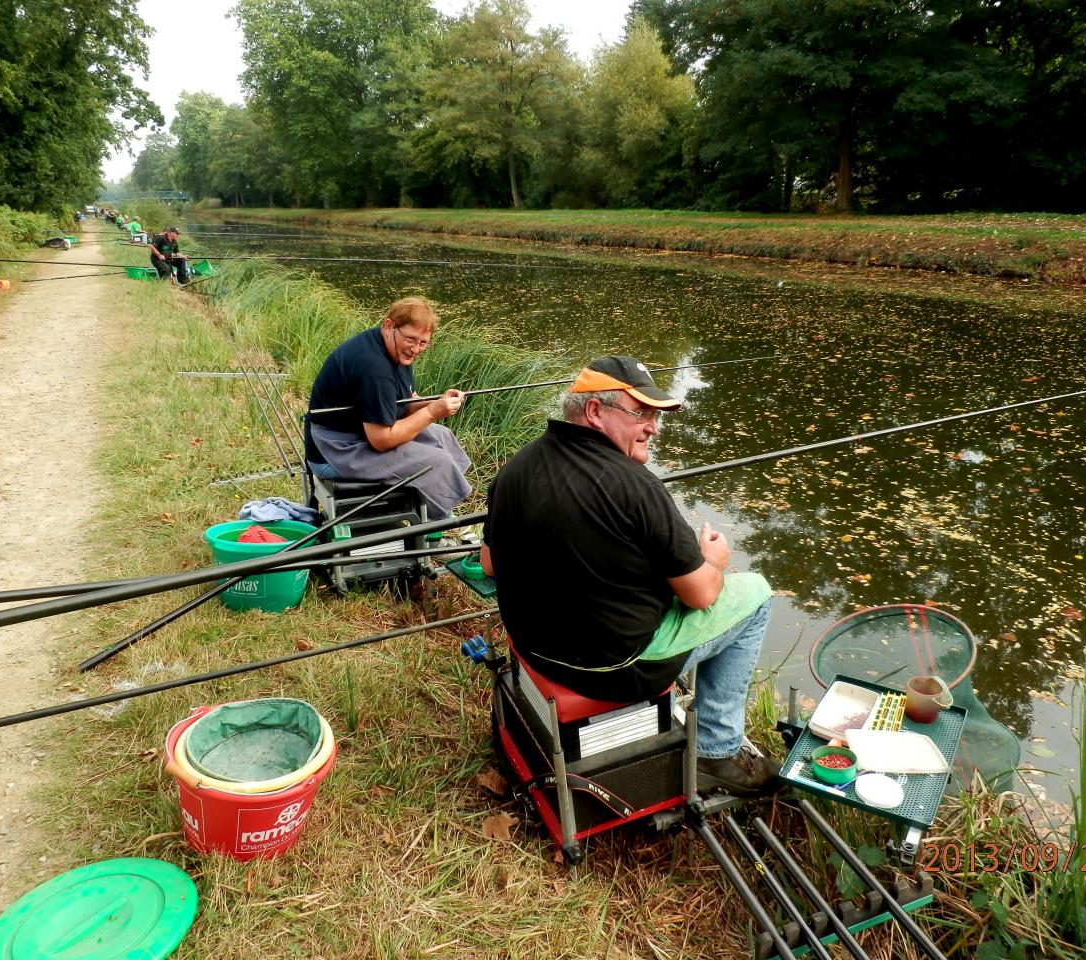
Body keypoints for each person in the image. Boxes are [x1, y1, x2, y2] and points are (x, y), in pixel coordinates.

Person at [481, 356, 779, 796]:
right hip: (613, 667)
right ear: (596, 412)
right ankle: (717, 751)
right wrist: (712, 558)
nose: (653, 428)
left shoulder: (517, 467)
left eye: (655, 416)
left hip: (536, 648)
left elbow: (490, 563)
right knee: (755, 593)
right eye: (641, 414)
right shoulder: (635, 485)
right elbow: (700, 593)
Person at [305, 296, 472, 520]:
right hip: (335, 451)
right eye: (411, 339)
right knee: (435, 461)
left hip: (358, 433)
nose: (415, 349)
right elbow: (381, 440)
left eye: (423, 343)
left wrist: (435, 402)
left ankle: (435, 513)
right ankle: (439, 527)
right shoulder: (373, 368)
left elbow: (406, 401)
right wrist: (433, 412)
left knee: (442, 436)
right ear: (389, 326)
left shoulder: (393, 348)